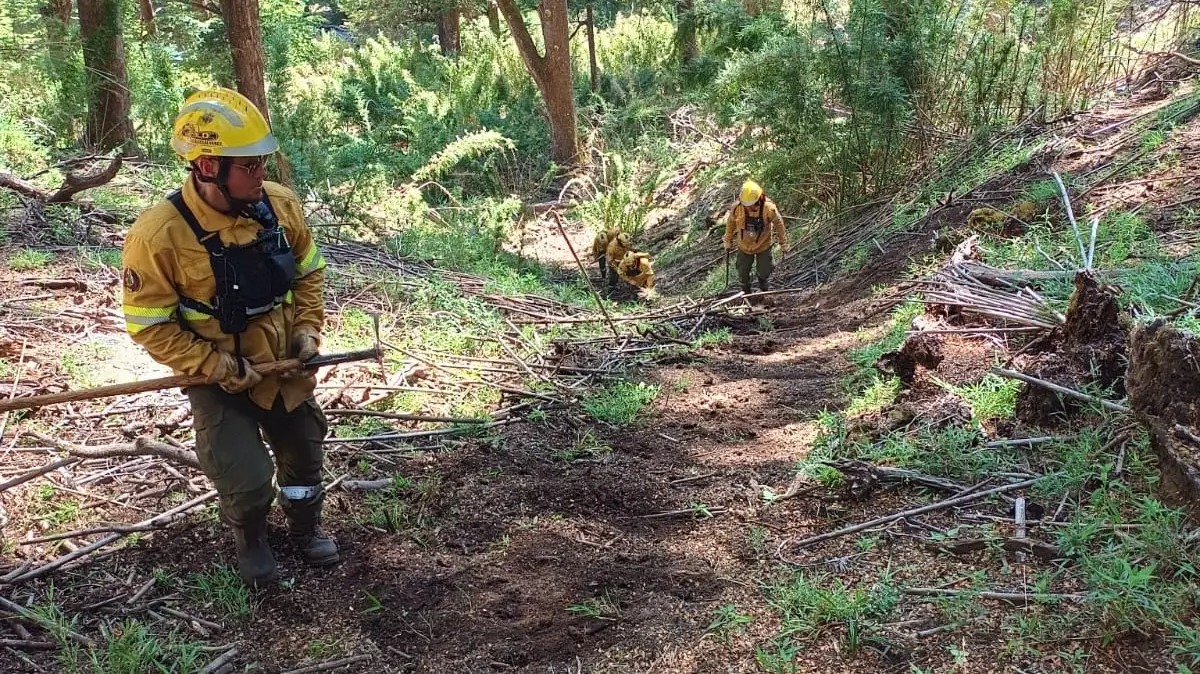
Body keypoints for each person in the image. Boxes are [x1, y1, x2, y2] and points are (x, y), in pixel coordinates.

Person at [121, 87, 337, 588]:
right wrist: (216, 366)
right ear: (206, 167)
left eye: (262, 164)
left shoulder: (279, 207)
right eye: (249, 167)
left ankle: (306, 529)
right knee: (246, 477)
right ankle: (252, 540)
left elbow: (309, 272)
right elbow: (149, 324)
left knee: (304, 452)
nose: (261, 176)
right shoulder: (159, 235)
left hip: (282, 361)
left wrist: (306, 329)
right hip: (216, 374)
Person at [722, 180, 788, 294]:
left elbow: (779, 224)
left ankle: (763, 285)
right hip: (744, 246)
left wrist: (784, 243)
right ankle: (747, 292)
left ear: (758, 199)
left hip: (763, 245)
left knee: (765, 270)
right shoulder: (737, 208)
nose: (747, 207)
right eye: (745, 205)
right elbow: (731, 223)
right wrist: (728, 240)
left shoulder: (768, 208)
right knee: (742, 271)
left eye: (750, 205)